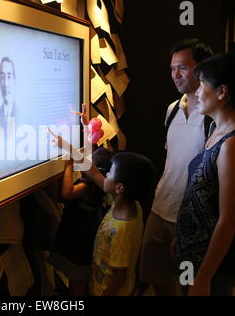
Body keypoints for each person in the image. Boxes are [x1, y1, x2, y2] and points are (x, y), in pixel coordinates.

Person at [175, 53, 235, 296]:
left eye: (201, 84)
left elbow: (229, 220)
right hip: (192, 253)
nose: (196, 92)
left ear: (222, 91)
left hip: (212, 265)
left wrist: (203, 278)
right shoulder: (217, 127)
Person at [139, 39, 213, 296]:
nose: (175, 75)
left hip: (191, 219)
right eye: (172, 68)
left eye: (182, 67)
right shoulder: (172, 109)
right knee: (157, 279)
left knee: (190, 286)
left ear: (203, 68)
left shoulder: (214, 115)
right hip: (160, 209)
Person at [48, 147, 115, 296]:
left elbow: (67, 193)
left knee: (76, 283)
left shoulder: (87, 186)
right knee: (86, 280)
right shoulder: (100, 188)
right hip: (87, 242)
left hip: (77, 243)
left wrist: (68, 166)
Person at [88, 152, 156, 296]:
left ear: (119, 187)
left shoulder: (121, 230)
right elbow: (93, 173)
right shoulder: (131, 205)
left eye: (110, 172)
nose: (105, 174)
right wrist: (69, 149)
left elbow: (119, 277)